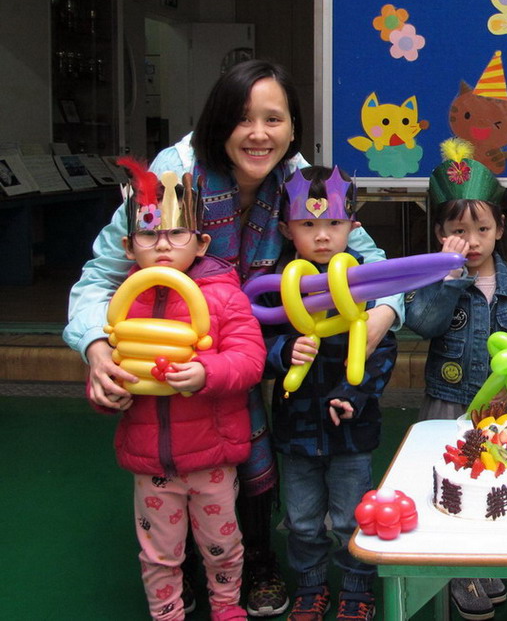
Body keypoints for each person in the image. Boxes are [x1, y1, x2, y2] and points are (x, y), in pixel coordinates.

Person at [64, 59, 402, 618]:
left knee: (250, 449)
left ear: (293, 127)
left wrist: (378, 318)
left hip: (256, 337)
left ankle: (259, 560)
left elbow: (374, 263)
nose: (258, 134)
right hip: (177, 342)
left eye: (274, 119)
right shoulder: (174, 174)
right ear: (218, 121)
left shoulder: (301, 181)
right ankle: (183, 566)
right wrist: (97, 348)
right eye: (243, 118)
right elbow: (101, 275)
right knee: (178, 456)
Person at [91, 161, 266, 621]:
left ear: (201, 242)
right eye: (149, 235)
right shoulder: (123, 302)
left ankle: (227, 608)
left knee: (223, 545)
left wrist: (206, 372)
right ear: (129, 245)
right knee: (158, 554)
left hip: (212, 458)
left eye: (176, 233)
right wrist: (106, 393)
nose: (163, 244)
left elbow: (249, 359)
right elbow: (109, 368)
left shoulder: (224, 297)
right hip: (151, 462)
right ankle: (166, 613)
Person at [403, 139, 507, 621]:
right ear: (441, 233)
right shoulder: (432, 279)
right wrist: (450, 275)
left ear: (500, 228)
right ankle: (461, 572)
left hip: (504, 409)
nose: (473, 240)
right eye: (459, 230)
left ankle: (490, 557)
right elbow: (423, 324)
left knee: (501, 480)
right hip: (449, 403)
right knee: (455, 487)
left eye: (482, 229)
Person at [261, 166, 397, 621]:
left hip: (352, 431)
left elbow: (383, 349)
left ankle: (357, 590)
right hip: (296, 428)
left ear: (352, 226)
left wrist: (355, 394)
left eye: (334, 223)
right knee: (301, 520)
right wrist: (283, 351)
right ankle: (310, 586)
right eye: (308, 224)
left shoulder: (366, 282)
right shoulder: (278, 286)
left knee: (350, 518)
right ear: (287, 229)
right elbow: (255, 345)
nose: (322, 235)